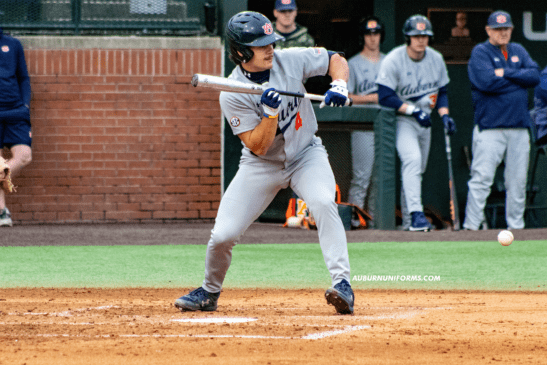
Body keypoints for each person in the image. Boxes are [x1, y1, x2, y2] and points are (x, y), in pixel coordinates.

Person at [175, 11, 354, 315]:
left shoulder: (289, 60)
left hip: (306, 154)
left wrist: (339, 84)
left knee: (324, 202)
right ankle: (209, 291)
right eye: (261, 44)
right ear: (241, 52)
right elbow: (258, 146)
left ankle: (343, 285)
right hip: (261, 164)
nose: (270, 48)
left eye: (271, 42)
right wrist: (270, 113)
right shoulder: (231, 93)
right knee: (223, 235)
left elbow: (334, 58)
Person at [376, 15, 456, 232]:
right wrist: (412, 110)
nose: (421, 40)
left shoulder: (436, 58)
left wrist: (445, 115)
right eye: (416, 36)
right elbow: (384, 95)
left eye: (425, 36)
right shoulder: (394, 59)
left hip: (426, 120)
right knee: (412, 160)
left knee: (416, 170)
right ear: (407, 37)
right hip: (403, 120)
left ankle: (410, 222)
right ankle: (417, 215)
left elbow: (442, 92)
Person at [463, 11, 540, 231]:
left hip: (518, 127)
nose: (502, 32)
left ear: (511, 29)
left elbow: (534, 76)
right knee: (482, 179)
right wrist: (518, 77)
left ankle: (516, 228)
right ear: (488, 30)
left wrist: (504, 73)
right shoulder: (480, 52)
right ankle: (471, 228)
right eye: (497, 29)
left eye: (506, 28)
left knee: (517, 183)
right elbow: (486, 82)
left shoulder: (518, 50)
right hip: (490, 128)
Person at [346, 16, 385, 228]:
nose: (372, 38)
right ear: (363, 37)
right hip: (363, 125)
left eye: (376, 33)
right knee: (362, 176)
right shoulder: (353, 63)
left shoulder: (390, 61)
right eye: (369, 34)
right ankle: (355, 218)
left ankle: (375, 220)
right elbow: (347, 97)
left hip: (385, 125)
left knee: (380, 178)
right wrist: (371, 98)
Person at [0, 27, 32, 227]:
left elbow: (23, 78)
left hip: (15, 111)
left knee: (24, 156)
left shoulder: (13, 44)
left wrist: (25, 105)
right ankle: (2, 213)